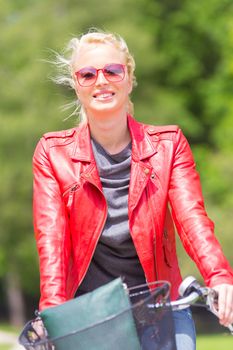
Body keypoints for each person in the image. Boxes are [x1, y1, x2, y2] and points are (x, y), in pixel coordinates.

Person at [33, 30, 233, 350]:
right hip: (92, 315)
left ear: (129, 78)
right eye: (87, 74)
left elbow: (192, 220)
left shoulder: (169, 145)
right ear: (76, 84)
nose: (101, 81)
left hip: (162, 305)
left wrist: (219, 276)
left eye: (113, 70)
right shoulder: (53, 153)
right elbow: (51, 239)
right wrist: (54, 309)